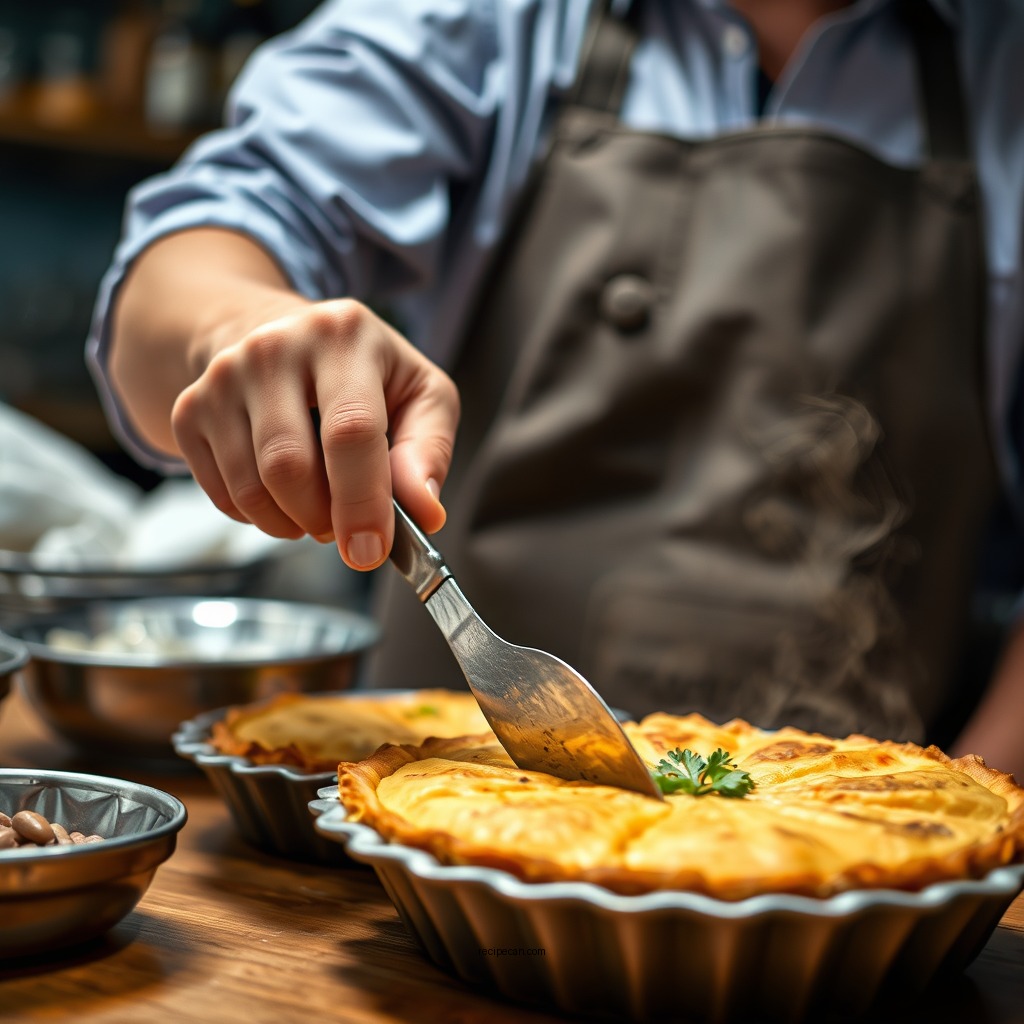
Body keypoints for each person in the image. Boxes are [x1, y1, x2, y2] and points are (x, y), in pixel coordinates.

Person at [87, 0, 1024, 777]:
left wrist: (942, 830)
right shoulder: (489, 20)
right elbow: (185, 265)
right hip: (450, 800)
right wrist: (241, 332)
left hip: (849, 871)